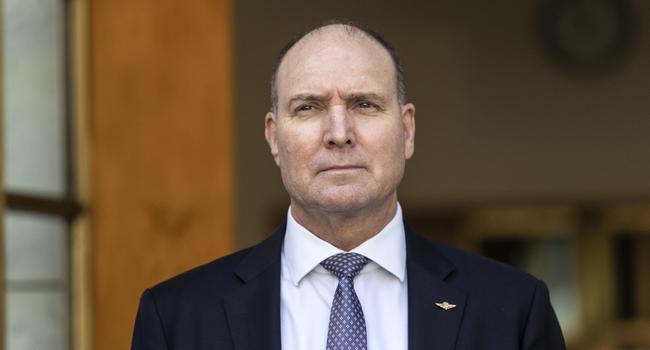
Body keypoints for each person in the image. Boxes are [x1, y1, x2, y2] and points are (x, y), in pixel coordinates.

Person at [131, 20, 566, 350]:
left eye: (364, 104)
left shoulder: (513, 311)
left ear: (407, 129)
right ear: (273, 137)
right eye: (308, 108)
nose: (339, 132)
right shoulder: (177, 317)